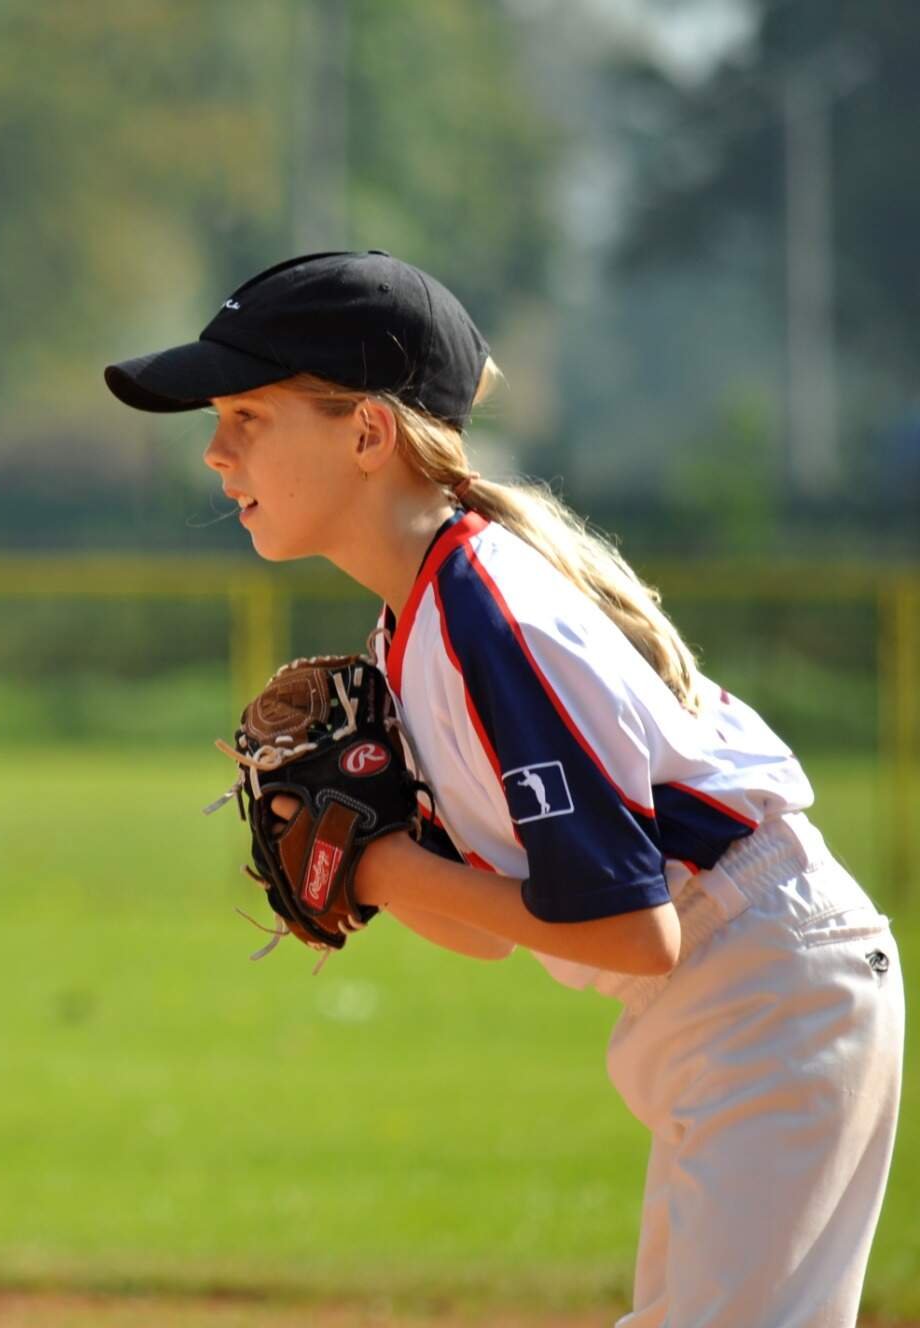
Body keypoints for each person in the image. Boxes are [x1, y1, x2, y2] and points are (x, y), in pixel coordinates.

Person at [104, 251, 904, 1326]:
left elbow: (628, 926)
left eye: (248, 412)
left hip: (766, 987)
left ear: (365, 433)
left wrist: (375, 859)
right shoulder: (421, 620)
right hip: (735, 997)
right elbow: (499, 930)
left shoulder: (489, 615)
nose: (213, 449)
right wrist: (385, 875)